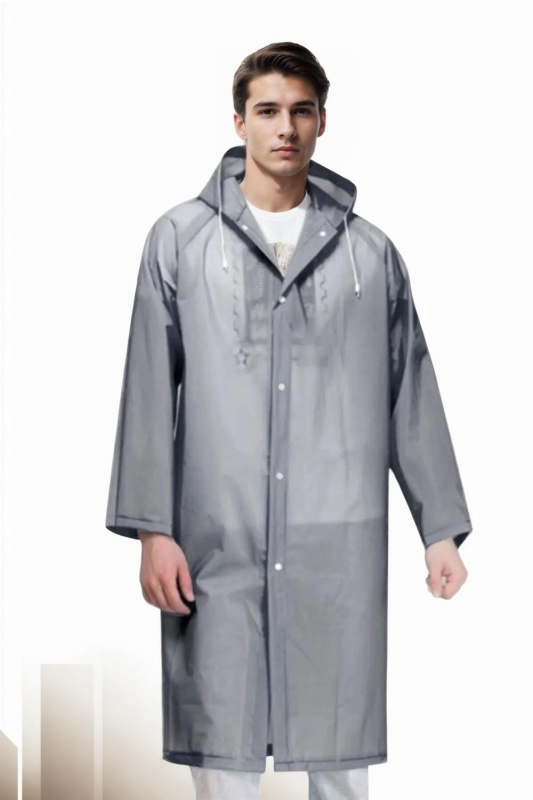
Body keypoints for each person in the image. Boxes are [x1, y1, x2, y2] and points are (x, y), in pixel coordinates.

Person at [105, 41, 473, 800]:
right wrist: (152, 531)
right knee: (223, 747)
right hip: (219, 535)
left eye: (301, 111)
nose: (286, 128)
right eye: (268, 110)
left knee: (337, 756)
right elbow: (147, 390)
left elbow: (409, 388)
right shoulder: (181, 241)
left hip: (334, 540)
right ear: (238, 121)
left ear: (322, 122)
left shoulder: (369, 255)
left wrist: (438, 527)